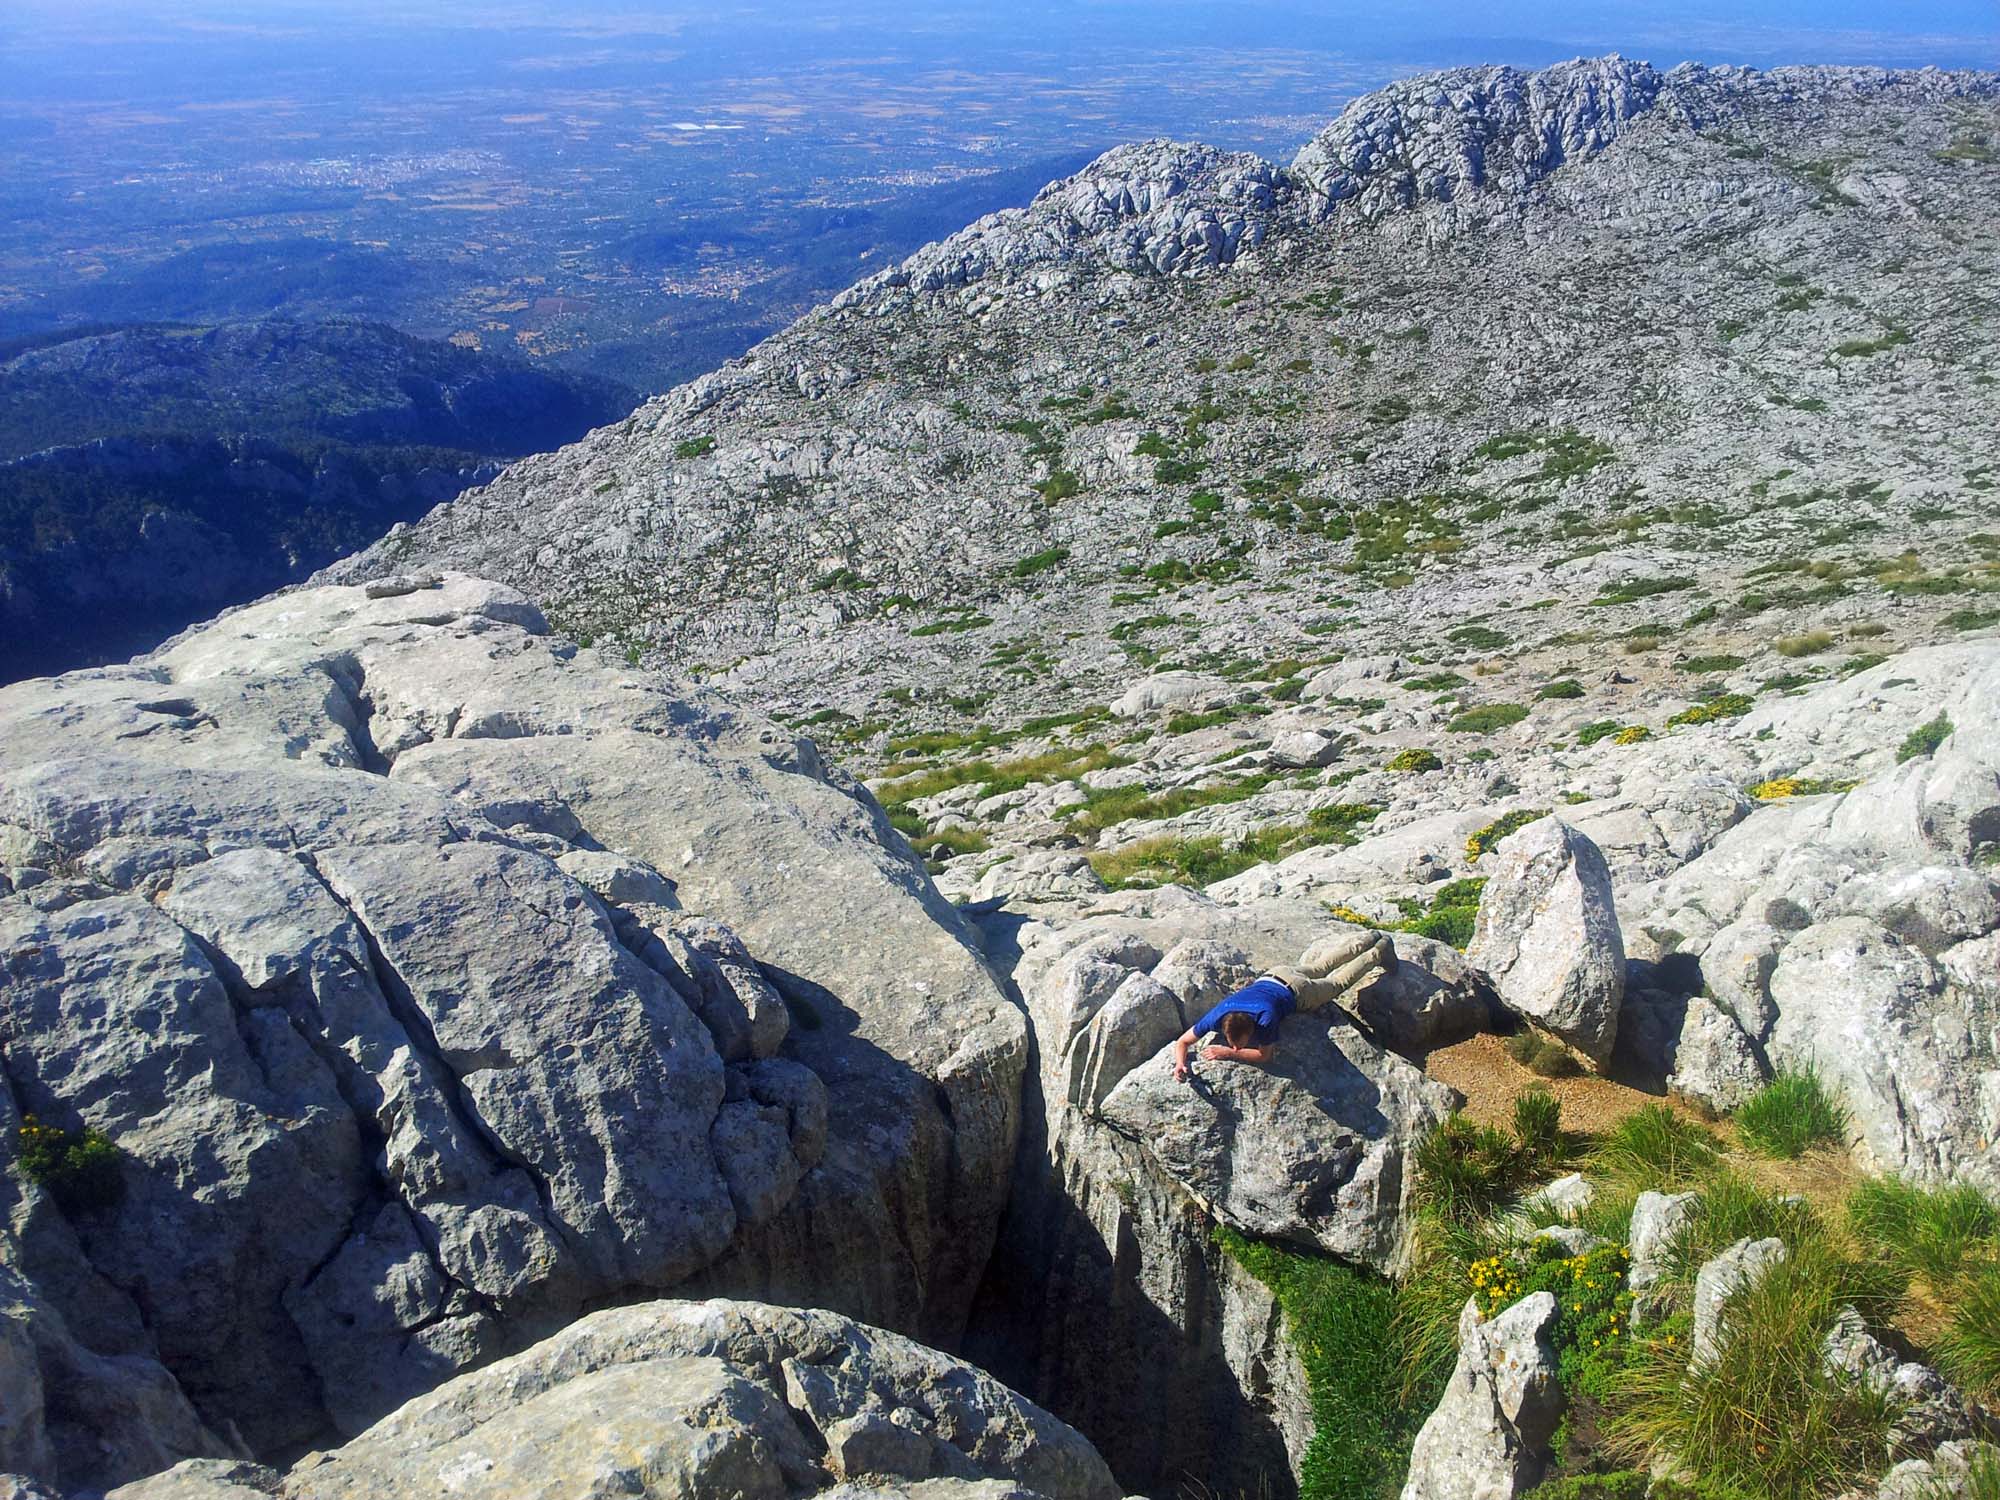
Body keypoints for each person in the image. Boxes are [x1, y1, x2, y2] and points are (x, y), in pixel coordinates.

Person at [1170, 931, 1396, 1082]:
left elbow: (1264, 1055)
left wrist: (1230, 1053)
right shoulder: (1218, 1015)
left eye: (1241, 1043)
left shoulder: (1265, 1018)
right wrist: (1180, 1063)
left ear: (1252, 1029)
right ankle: (1368, 938)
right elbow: (1183, 1042)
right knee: (1321, 966)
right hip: (1277, 974)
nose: (1239, 1047)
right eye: (1235, 1044)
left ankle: (1377, 952)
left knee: (1337, 983)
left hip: (1299, 993)